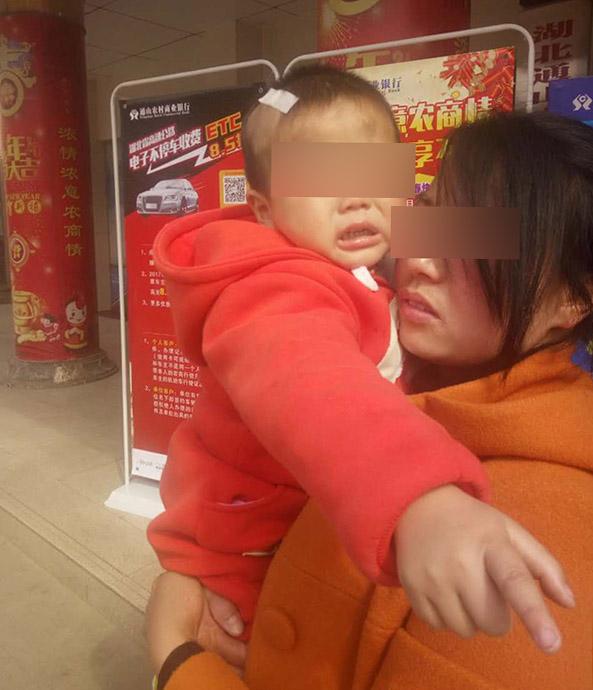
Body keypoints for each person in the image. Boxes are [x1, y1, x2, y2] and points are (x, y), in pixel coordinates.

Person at [146, 111, 593, 690]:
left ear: (573, 301)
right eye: (430, 217)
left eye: (479, 241)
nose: (422, 260)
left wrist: (176, 655)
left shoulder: (539, 544)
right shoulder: (384, 341)